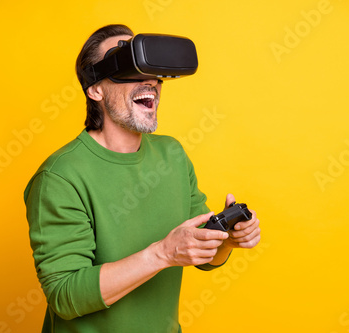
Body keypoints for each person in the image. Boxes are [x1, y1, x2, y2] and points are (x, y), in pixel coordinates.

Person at [24, 24, 261, 333]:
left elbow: (201, 254)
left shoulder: (172, 155)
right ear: (94, 89)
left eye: (153, 73)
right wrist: (161, 254)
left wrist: (227, 240)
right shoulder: (60, 177)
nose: (150, 83)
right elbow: (65, 296)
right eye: (127, 69)